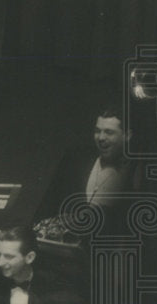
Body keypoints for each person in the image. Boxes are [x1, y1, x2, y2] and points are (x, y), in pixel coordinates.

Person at [35, 101, 144, 238]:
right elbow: (48, 205)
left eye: (109, 132)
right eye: (97, 131)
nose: (101, 138)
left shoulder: (138, 172)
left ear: (127, 136)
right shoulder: (75, 161)